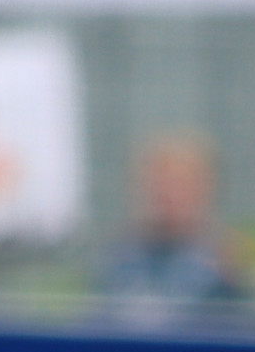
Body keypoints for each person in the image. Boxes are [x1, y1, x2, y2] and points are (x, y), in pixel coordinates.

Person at [94, 132, 239, 311]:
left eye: (180, 184)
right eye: (160, 182)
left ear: (206, 190)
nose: (168, 194)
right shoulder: (116, 259)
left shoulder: (225, 266)